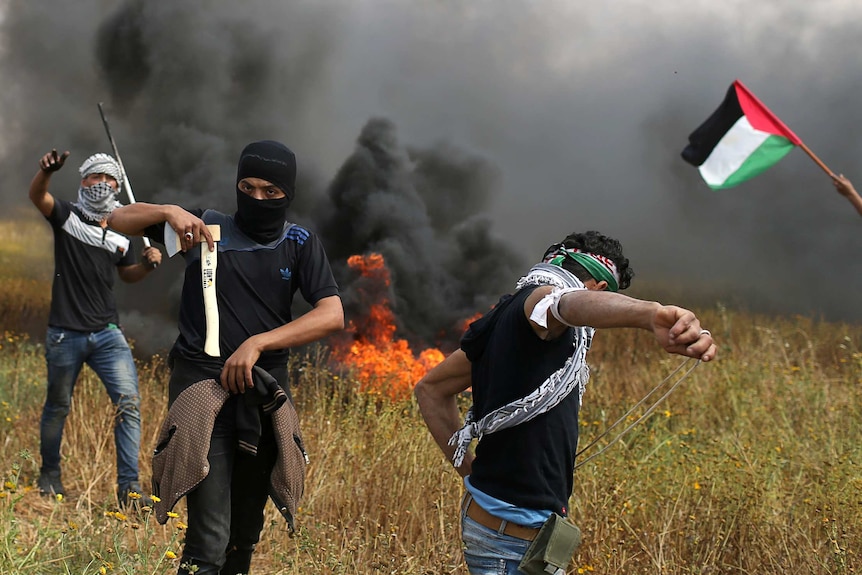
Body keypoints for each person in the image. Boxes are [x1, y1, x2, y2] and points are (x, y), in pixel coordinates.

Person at [414, 231, 717, 575]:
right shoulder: (541, 303)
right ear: (601, 291)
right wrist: (650, 314)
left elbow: (431, 389)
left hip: (503, 533)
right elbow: (564, 304)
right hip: (511, 547)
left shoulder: (505, 316)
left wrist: (470, 474)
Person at [107, 139, 344, 575]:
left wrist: (257, 344)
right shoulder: (204, 228)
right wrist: (168, 212)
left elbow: (331, 314)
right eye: (247, 187)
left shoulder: (299, 242)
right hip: (203, 394)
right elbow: (115, 219)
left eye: (271, 192)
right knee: (208, 543)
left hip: (263, 396)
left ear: (287, 195)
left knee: (245, 537)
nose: (257, 198)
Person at [29, 148, 162, 505]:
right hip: (64, 333)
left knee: (129, 406)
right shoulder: (66, 216)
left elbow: (127, 276)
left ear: (118, 185)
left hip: (107, 333)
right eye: (94, 176)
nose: (101, 183)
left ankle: (129, 490)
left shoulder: (122, 231)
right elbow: (37, 196)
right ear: (83, 180)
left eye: (109, 178)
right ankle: (49, 475)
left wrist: (147, 267)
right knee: (57, 406)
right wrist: (47, 172)